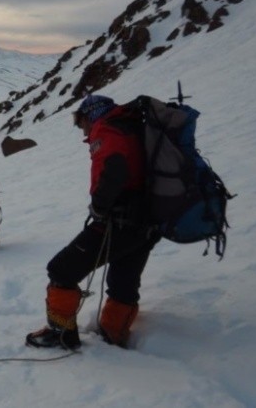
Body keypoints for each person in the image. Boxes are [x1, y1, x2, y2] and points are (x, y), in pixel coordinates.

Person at [25, 95, 160, 350]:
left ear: (91, 115)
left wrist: (99, 206)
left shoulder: (107, 129)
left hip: (119, 221)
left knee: (61, 270)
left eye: (80, 122)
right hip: (148, 220)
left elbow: (115, 168)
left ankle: (61, 333)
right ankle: (114, 331)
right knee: (124, 279)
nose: (82, 129)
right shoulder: (133, 127)